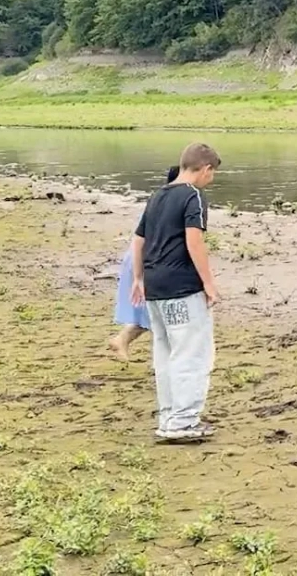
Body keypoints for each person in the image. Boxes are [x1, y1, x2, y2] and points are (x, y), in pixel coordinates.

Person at [130, 143, 222, 443]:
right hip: (182, 287)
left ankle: (169, 417)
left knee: (166, 354)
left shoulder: (157, 195)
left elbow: (138, 240)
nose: (211, 180)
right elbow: (194, 241)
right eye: (213, 174)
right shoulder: (192, 196)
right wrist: (208, 282)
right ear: (205, 168)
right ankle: (183, 422)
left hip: (155, 287)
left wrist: (138, 278)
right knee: (192, 354)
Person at [109, 165, 179, 360]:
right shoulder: (174, 203)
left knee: (151, 313)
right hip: (147, 260)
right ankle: (126, 341)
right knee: (158, 313)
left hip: (139, 257)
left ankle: (123, 340)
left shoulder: (159, 199)